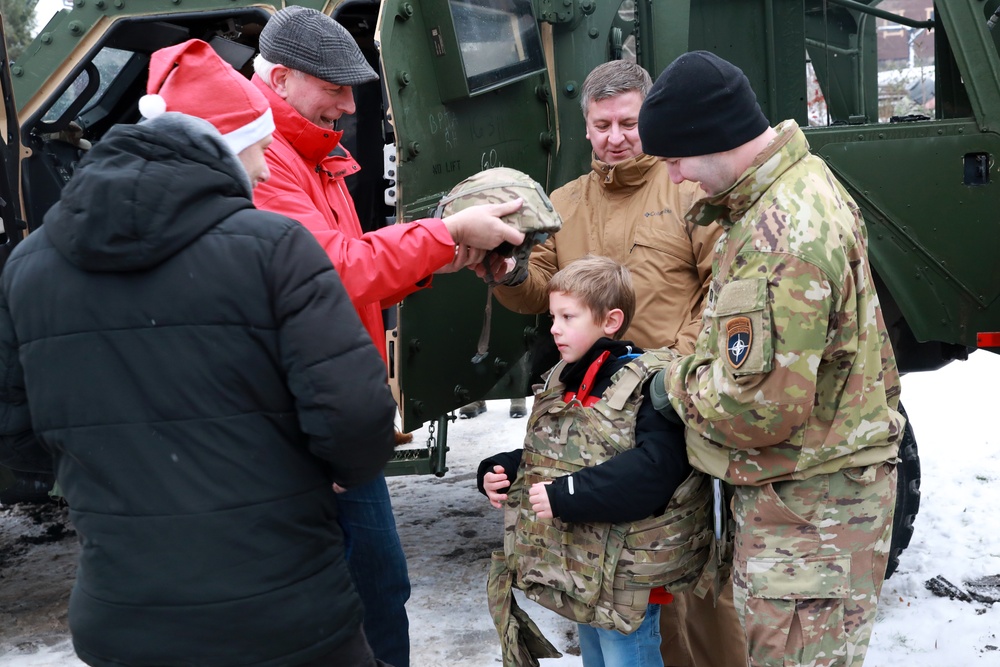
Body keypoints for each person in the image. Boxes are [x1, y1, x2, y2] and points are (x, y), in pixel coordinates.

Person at [0, 39, 398, 667]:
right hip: (282, 612)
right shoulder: (275, 249)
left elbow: (19, 439)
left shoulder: (28, 267)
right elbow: (356, 419)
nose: (267, 172)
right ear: (228, 147)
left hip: (122, 619)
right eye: (262, 150)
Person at [249, 8, 525, 666]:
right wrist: (448, 234)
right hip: (311, 428)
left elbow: (354, 267)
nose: (348, 106)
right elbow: (331, 270)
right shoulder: (271, 160)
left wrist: (439, 257)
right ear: (281, 79)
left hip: (341, 420)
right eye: (334, 89)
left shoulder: (309, 151)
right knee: (362, 597)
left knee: (378, 590)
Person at [638, 50, 904, 667]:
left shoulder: (781, 235)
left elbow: (757, 412)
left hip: (811, 513)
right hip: (808, 498)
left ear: (713, 138)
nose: (674, 178)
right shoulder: (788, 189)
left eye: (675, 159)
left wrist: (672, 385)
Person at [492, 59, 746, 667]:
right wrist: (509, 269)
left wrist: (672, 372)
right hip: (595, 428)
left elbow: (724, 285)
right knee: (613, 571)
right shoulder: (563, 204)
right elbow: (539, 288)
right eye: (602, 124)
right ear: (586, 128)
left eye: (628, 122)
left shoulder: (690, 193)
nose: (616, 136)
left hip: (674, 409)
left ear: (649, 119)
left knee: (695, 566)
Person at [479, 255, 709, 667]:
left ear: (610, 321)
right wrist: (506, 468)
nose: (554, 328)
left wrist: (567, 494)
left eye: (568, 316)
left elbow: (656, 471)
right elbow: (559, 453)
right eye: (553, 316)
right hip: (582, 572)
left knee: (625, 657)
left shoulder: (649, 384)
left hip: (625, 579)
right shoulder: (564, 379)